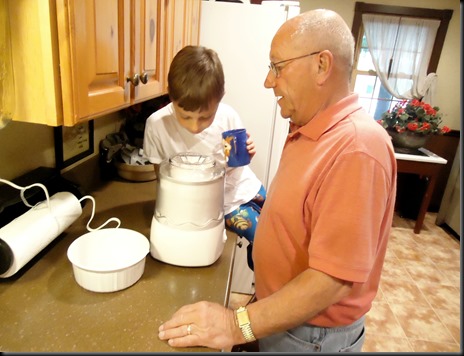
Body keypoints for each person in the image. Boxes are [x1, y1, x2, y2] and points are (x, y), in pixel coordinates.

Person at [157, 9, 397, 352]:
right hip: (287, 315)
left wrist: (234, 324)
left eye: (277, 67)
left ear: (322, 66)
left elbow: (332, 280)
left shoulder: (357, 149)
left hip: (311, 335)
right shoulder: (308, 126)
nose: (268, 82)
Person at [143, 45, 266, 271]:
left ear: (220, 99)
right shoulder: (156, 125)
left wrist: (245, 152)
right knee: (266, 243)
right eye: (186, 116)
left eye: (205, 117)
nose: (194, 126)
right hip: (220, 204)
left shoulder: (227, 116)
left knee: (285, 227)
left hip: (245, 185)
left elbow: (236, 162)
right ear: (170, 95)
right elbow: (162, 179)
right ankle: (264, 284)